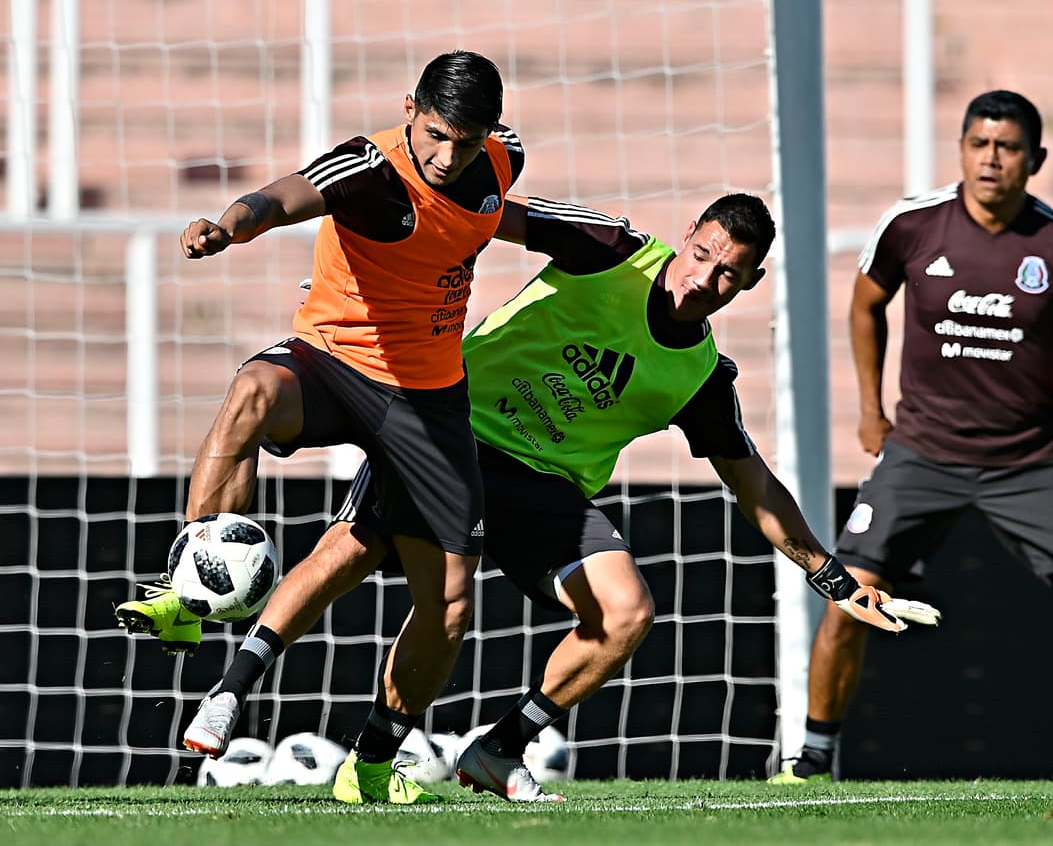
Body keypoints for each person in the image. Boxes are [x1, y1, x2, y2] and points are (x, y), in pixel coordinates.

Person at [174, 192, 942, 804]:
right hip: (454, 430)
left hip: (548, 489)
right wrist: (387, 274)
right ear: (687, 236)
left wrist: (828, 573)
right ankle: (230, 691)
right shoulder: (611, 251)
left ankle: (487, 748)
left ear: (751, 283)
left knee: (626, 612)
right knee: (350, 549)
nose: (704, 278)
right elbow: (482, 212)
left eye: (727, 274)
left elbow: (753, 483)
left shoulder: (703, 376)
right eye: (702, 254)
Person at [769, 90, 1053, 786]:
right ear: (961, 149)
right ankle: (812, 760)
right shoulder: (913, 225)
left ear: (1034, 160)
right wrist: (868, 407)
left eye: (1007, 148)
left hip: (1030, 460)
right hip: (920, 450)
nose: (990, 159)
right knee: (851, 592)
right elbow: (865, 306)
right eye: (978, 143)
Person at [114, 50, 523, 801]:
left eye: (467, 140)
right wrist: (225, 228)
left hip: (428, 399)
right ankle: (188, 589)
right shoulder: (367, 169)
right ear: (410, 109)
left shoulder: (505, 159)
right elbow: (276, 200)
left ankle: (372, 758)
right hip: (333, 360)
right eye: (436, 134)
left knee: (452, 603)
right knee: (253, 391)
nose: (448, 154)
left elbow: (487, 218)